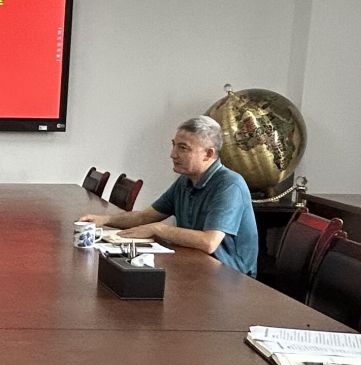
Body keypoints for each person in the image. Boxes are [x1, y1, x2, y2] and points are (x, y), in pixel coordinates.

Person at [78, 116, 260, 275]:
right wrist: (104, 220)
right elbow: (145, 217)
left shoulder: (229, 185)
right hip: (194, 265)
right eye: (174, 145)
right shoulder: (185, 181)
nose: (172, 154)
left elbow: (209, 242)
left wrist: (159, 229)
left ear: (208, 154)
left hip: (230, 277)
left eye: (183, 148)